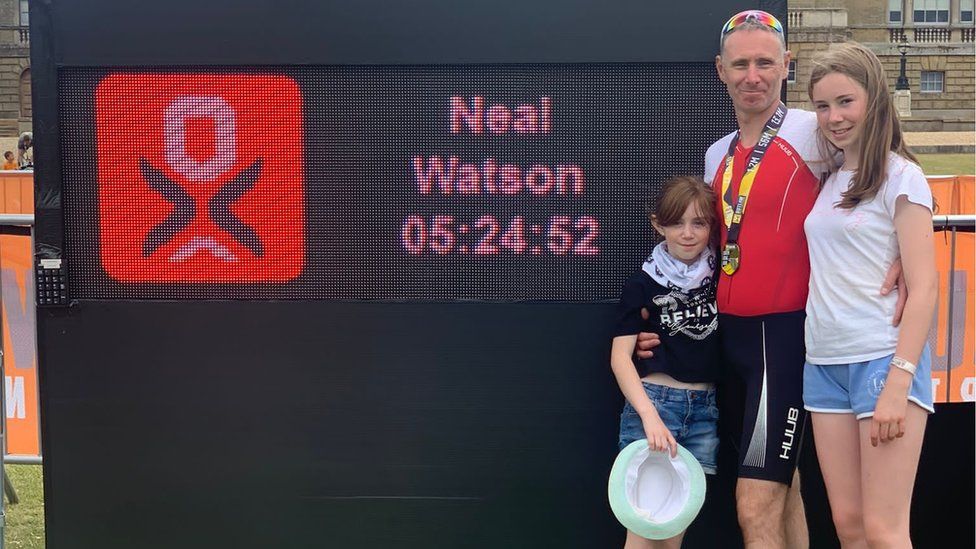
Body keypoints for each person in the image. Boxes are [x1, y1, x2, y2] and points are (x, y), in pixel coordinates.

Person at [633, 11, 906, 548]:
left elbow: (893, 168)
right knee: (786, 490)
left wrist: (906, 246)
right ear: (720, 71)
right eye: (740, 64)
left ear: (786, 64)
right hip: (724, 338)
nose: (752, 75)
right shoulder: (717, 153)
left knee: (754, 505)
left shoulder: (813, 130)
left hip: (780, 339)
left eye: (764, 62)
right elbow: (705, 252)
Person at [804, 42, 936, 548]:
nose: (833, 117)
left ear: (874, 99)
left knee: (884, 531)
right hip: (823, 364)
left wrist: (899, 382)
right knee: (850, 528)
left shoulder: (903, 177)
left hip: (883, 358)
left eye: (845, 102)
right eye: (822, 105)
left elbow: (923, 288)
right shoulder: (828, 175)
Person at [610, 175, 721, 549]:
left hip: (705, 414)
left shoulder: (723, 276)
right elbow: (620, 359)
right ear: (658, 224)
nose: (687, 233)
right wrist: (649, 416)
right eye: (676, 222)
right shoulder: (642, 283)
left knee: (671, 539)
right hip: (655, 406)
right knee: (643, 537)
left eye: (699, 223)